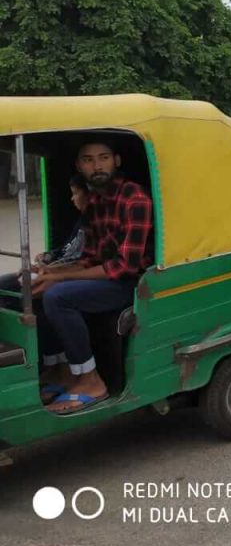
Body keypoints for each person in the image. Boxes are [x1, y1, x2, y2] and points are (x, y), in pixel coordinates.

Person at [33, 141, 153, 414]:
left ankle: (91, 380)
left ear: (117, 161)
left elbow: (124, 267)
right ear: (78, 166)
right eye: (88, 160)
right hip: (106, 278)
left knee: (57, 296)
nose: (97, 166)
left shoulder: (134, 199)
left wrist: (61, 280)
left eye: (104, 158)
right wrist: (52, 272)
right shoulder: (96, 202)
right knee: (37, 287)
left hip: (131, 283)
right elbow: (90, 256)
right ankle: (60, 369)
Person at [0, 174, 88, 312]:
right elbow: (66, 249)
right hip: (54, 268)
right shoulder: (82, 221)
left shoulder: (97, 224)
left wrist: (52, 272)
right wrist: (47, 257)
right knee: (5, 282)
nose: (72, 198)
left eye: (75, 193)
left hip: (68, 274)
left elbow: (84, 263)